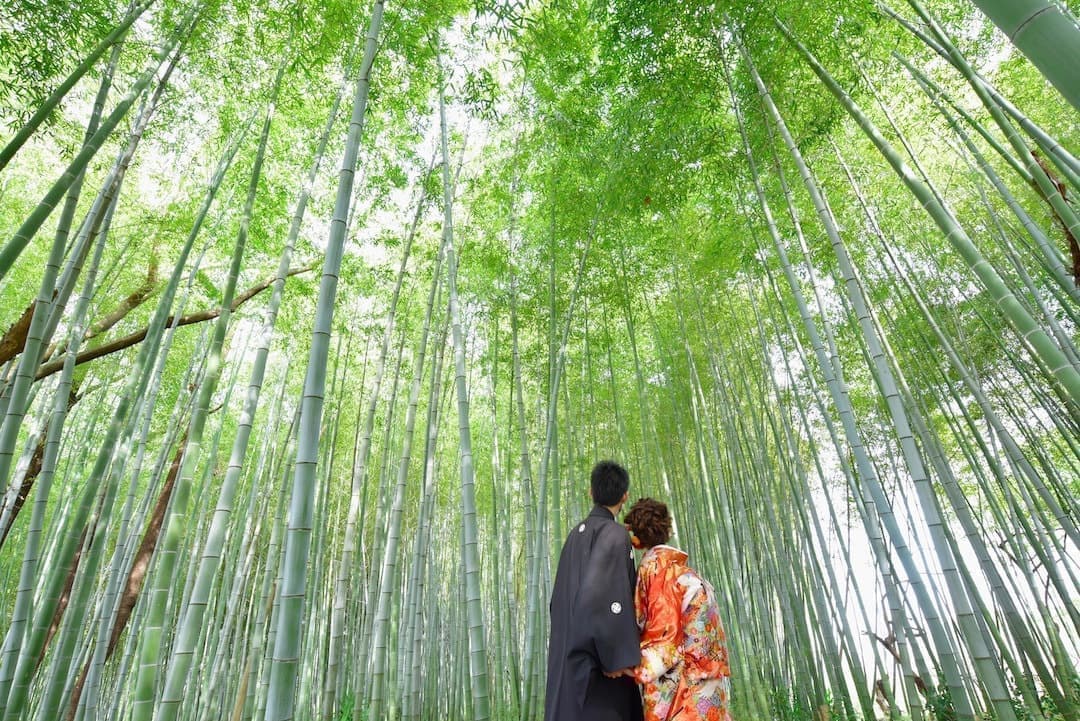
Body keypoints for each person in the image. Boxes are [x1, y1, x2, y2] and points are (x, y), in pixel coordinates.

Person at [545, 460, 644, 721]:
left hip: (570, 661)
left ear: (591, 492)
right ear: (625, 496)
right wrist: (614, 659)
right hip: (598, 670)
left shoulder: (573, 536)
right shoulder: (615, 535)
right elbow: (608, 598)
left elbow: (558, 603)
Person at [622, 497, 731, 721]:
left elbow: (665, 638)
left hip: (687, 687)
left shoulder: (657, 570)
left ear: (636, 538)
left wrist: (629, 664)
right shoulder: (680, 571)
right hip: (705, 680)